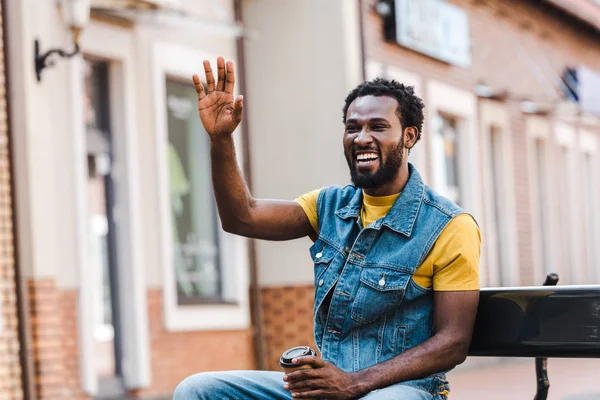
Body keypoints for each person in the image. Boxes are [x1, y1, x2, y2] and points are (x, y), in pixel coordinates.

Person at [173, 57, 481, 400]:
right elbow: (241, 217)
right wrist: (221, 139)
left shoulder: (449, 226)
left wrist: (355, 383)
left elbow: (453, 343)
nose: (362, 138)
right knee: (197, 390)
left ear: (409, 136)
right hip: (329, 389)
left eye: (378, 127)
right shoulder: (328, 207)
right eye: (353, 127)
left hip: (403, 392)